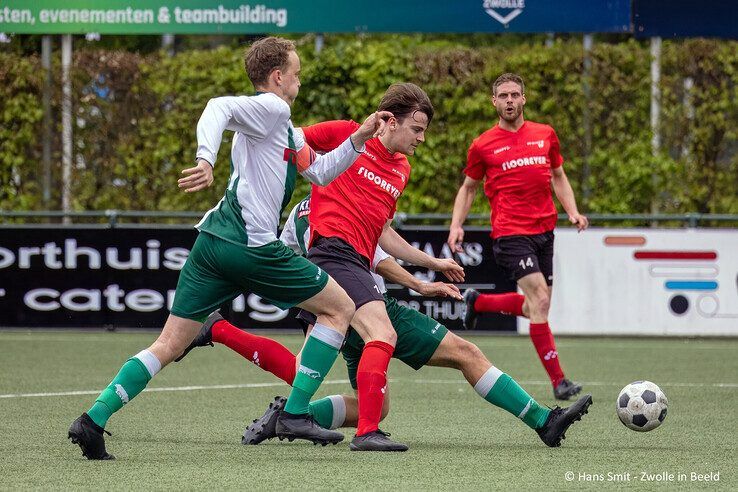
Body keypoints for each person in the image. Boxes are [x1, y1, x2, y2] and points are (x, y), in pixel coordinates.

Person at [67, 36, 391, 460]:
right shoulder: (274, 108)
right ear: (278, 77)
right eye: (295, 72)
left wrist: (360, 137)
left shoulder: (283, 129)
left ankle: (92, 420)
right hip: (252, 246)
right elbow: (217, 106)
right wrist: (206, 158)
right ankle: (295, 413)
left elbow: (322, 172)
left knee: (168, 344)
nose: (299, 78)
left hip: (211, 244)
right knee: (340, 308)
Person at [176, 194, 593, 449]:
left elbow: (291, 254)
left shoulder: (303, 209)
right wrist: (422, 282)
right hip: (362, 297)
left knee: (319, 378)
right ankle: (542, 420)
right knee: (465, 353)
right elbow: (378, 259)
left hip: (324, 298)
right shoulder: (349, 202)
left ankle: (232, 347)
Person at [447, 73, 589, 401]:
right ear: (494, 102)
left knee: (534, 307)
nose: (509, 100)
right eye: (503, 96)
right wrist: (457, 225)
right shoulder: (482, 145)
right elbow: (468, 188)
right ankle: (559, 382)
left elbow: (558, 176)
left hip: (545, 232)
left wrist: (573, 211)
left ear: (524, 99)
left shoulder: (545, 135)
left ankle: (478, 302)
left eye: (515, 95)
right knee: (539, 300)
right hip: (510, 233)